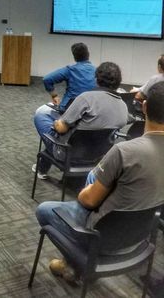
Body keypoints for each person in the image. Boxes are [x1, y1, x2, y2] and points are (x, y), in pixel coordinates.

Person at [36, 81, 164, 283]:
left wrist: (86, 191)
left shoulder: (125, 151)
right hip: (140, 238)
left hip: (102, 237)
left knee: (44, 210)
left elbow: (88, 201)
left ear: (145, 107)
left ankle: (77, 264)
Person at [33, 62, 128, 179]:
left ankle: (42, 168)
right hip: (99, 156)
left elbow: (61, 129)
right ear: (119, 82)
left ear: (96, 79)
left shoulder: (86, 98)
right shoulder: (123, 106)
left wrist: (56, 123)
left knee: (41, 114)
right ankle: (41, 168)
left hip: (69, 154)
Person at [37, 42, 96, 114]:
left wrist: (54, 96)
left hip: (69, 109)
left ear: (74, 57)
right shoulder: (97, 70)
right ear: (88, 54)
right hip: (91, 110)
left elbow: (47, 79)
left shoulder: (70, 70)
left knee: (41, 112)